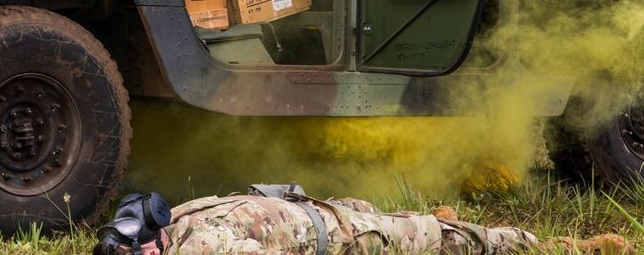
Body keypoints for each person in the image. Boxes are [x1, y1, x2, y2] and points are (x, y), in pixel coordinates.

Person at [94, 184, 632, 254]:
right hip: (344, 237)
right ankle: (563, 246)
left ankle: (427, 222)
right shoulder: (198, 251)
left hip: (325, 209)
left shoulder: (173, 222)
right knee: (450, 241)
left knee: (406, 221)